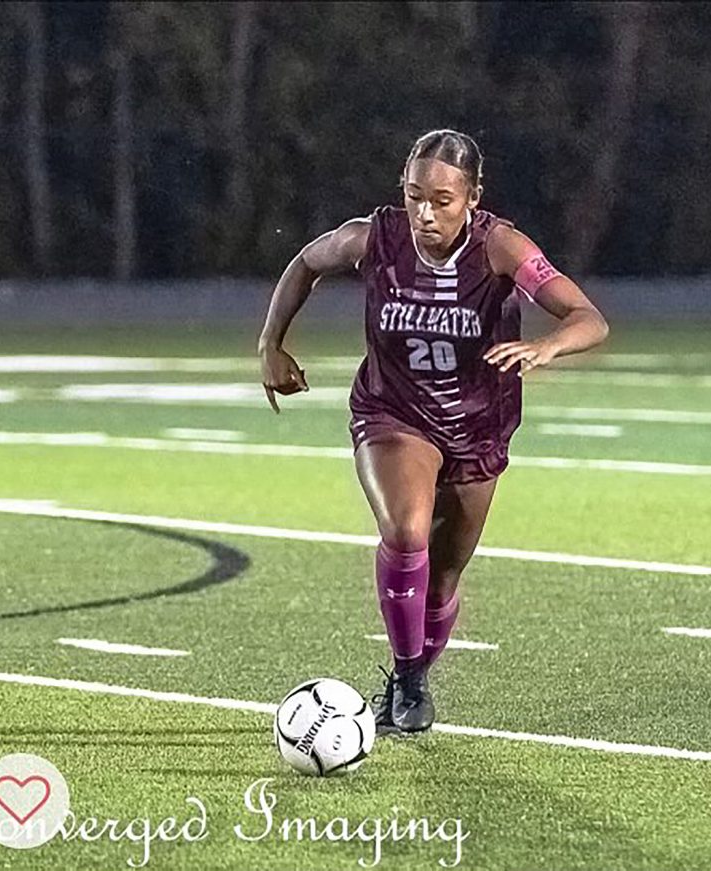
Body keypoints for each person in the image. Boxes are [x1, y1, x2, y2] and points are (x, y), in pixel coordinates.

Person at [258, 129, 608, 735]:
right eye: (415, 195)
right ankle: (410, 680)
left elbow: (588, 317)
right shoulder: (372, 238)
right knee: (406, 528)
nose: (425, 212)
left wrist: (548, 345)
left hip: (479, 426)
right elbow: (306, 264)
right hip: (394, 414)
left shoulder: (501, 248)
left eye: (442, 200)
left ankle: (409, 676)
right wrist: (271, 343)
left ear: (472, 197)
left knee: (444, 575)